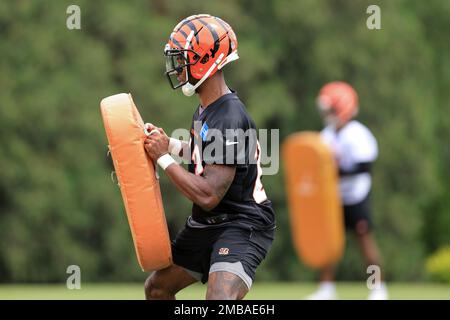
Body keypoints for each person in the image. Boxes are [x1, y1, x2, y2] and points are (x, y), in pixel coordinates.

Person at [143, 14, 276, 300]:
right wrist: (170, 146)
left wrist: (162, 159)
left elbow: (208, 194)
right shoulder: (207, 107)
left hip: (241, 222)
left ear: (206, 60)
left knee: (219, 300)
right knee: (157, 289)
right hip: (208, 222)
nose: (178, 68)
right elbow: (207, 155)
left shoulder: (228, 115)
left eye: (183, 59)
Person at [307, 81, 388, 300]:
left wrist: (335, 171)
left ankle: (377, 287)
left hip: (355, 196)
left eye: (331, 109)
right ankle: (326, 289)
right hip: (333, 198)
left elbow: (364, 167)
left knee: (365, 242)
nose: (328, 114)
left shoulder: (358, 134)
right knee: (329, 246)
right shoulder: (326, 135)